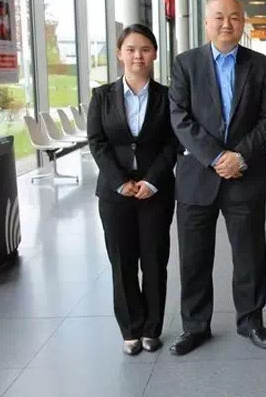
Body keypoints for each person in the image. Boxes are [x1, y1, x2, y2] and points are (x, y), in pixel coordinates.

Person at [168, 0, 266, 355]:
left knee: (250, 255)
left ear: (242, 22)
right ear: (206, 22)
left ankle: (251, 321)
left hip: (245, 175)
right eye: (219, 17)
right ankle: (195, 326)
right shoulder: (185, 64)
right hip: (198, 176)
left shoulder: (260, 65)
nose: (226, 24)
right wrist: (216, 157)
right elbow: (179, 117)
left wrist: (240, 156)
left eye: (233, 17)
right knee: (194, 257)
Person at [87, 24, 178, 355]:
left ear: (154, 54)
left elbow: (173, 142)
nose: (138, 55)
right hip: (115, 194)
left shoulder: (168, 96)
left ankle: (152, 328)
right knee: (122, 261)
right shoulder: (102, 97)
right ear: (119, 54)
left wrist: (152, 180)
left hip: (156, 191)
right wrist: (119, 181)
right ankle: (130, 328)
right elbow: (97, 142)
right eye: (131, 49)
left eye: (145, 49)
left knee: (154, 260)